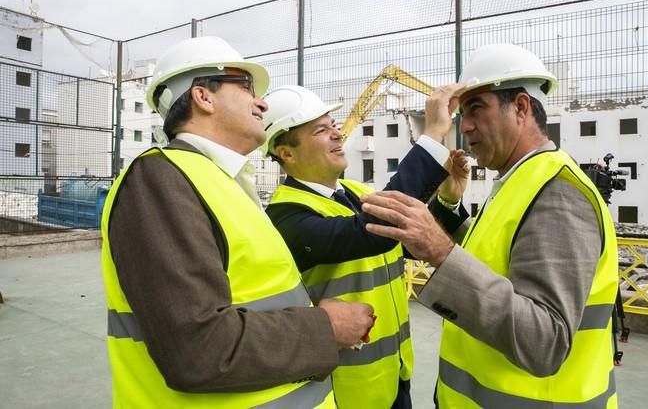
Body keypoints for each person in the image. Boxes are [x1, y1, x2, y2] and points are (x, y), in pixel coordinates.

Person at [100, 36, 375, 409]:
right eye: (246, 87)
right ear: (203, 97)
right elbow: (198, 350)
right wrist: (327, 327)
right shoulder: (159, 179)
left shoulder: (218, 181)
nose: (261, 101)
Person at [361, 44, 619, 408]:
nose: (464, 126)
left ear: (521, 108)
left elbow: (544, 340)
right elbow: (499, 255)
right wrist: (450, 205)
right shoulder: (520, 179)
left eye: (476, 109)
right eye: (462, 113)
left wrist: (439, 249)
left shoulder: (557, 193)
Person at [260, 85, 470, 409]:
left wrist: (448, 201)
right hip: (348, 392)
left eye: (333, 125)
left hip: (395, 375)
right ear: (286, 152)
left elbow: (408, 243)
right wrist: (431, 135)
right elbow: (372, 234)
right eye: (321, 130)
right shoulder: (286, 216)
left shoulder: (355, 193)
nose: (337, 134)